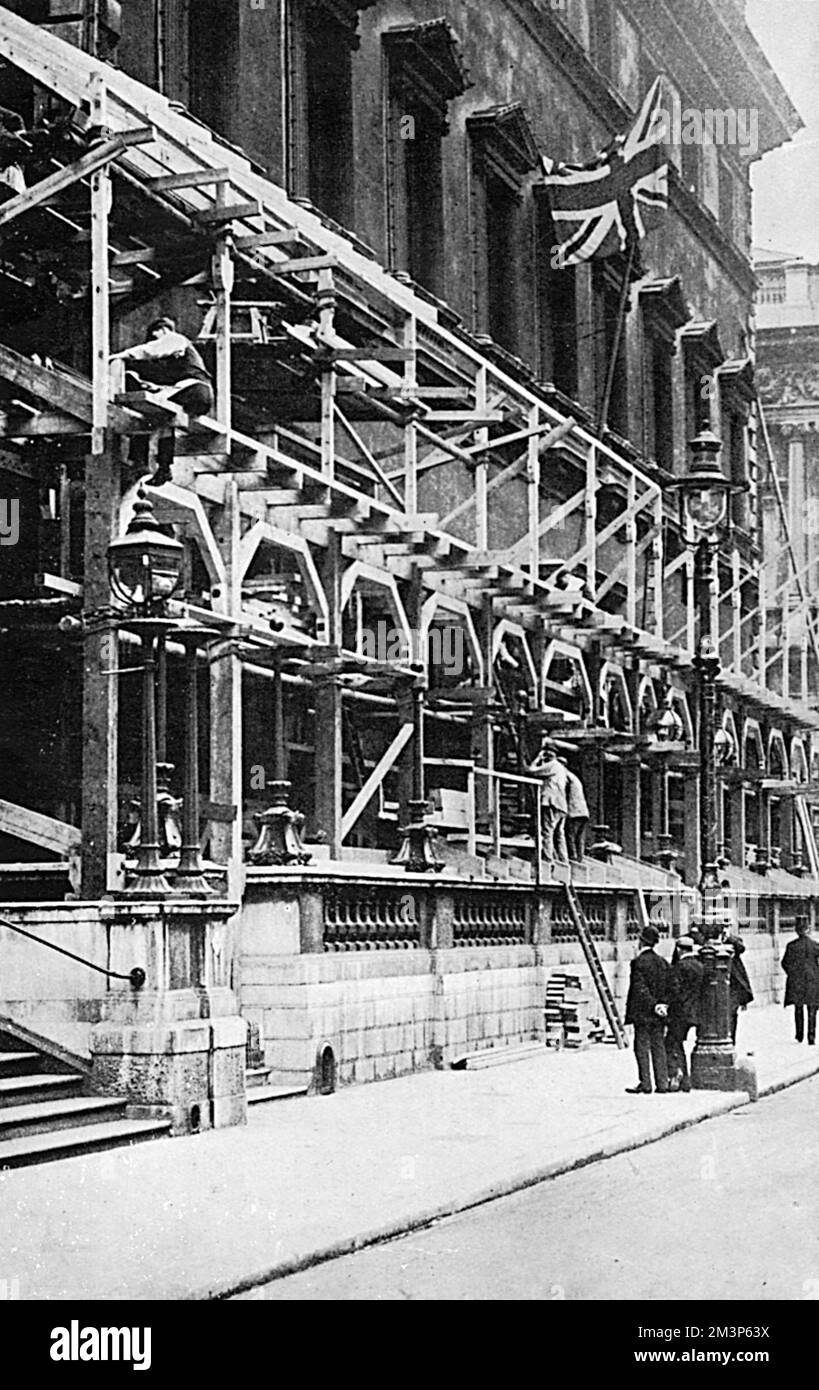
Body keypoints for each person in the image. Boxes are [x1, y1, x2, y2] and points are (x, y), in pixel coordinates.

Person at [111, 316, 214, 484]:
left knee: (146, 411)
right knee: (164, 417)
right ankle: (164, 467)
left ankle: (140, 461)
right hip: (198, 393)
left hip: (194, 389)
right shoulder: (179, 355)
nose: (154, 341)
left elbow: (151, 350)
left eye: (155, 336)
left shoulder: (175, 339)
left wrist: (120, 356)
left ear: (163, 331)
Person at [624, 924, 671, 1094]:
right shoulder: (663, 962)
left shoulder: (638, 963)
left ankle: (645, 1083)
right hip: (659, 1014)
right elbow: (669, 987)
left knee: (642, 1047)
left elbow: (640, 988)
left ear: (641, 942)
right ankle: (662, 1083)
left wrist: (653, 1005)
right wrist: (662, 1004)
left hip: (643, 1014)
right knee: (659, 1046)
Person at [665, 936, 703, 1092]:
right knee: (677, 1042)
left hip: (680, 1012)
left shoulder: (679, 967)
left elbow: (674, 991)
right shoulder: (699, 966)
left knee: (671, 1043)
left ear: (679, 949)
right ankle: (685, 1080)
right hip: (694, 1012)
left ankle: (677, 1073)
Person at [529, 738, 569, 865]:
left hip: (551, 803)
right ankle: (564, 862)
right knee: (559, 835)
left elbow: (531, 770)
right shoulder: (562, 768)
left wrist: (538, 758)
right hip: (562, 805)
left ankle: (548, 861)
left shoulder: (552, 765)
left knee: (547, 832)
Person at [781, 916, 819, 1045]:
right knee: (812, 1009)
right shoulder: (815, 945)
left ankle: (799, 1035)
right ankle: (811, 1036)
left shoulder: (791, 946)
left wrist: (792, 974)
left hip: (797, 981)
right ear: (808, 929)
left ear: (796, 930)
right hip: (813, 981)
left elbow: (784, 963)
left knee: (798, 1008)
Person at [560, 757, 589, 863]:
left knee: (570, 836)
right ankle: (579, 858)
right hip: (583, 812)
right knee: (579, 838)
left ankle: (572, 857)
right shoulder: (574, 776)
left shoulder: (565, 776)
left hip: (574, 811)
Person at [726, 934, 753, 1044]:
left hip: (733, 987)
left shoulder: (732, 942)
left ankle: (731, 1041)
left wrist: (728, 937)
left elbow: (741, 948)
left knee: (732, 1014)